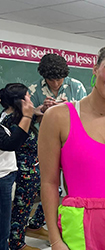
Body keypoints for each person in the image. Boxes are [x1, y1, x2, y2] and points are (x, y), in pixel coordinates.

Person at [39, 40, 105, 250]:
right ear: (96, 68)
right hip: (80, 223)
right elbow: (49, 183)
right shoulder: (58, 117)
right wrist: (54, 239)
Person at [26, 53, 87, 240]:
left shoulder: (76, 86)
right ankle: (45, 228)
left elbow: (86, 115)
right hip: (46, 145)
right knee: (48, 186)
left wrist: (68, 107)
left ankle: (72, 225)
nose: (55, 84)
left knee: (73, 187)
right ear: (44, 76)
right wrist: (41, 110)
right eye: (50, 80)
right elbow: (26, 119)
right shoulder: (35, 89)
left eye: (59, 79)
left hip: (72, 144)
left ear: (65, 75)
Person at [0, 83, 40, 250]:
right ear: (21, 101)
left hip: (29, 171)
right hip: (22, 174)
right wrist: (30, 115)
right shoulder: (12, 120)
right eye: (28, 95)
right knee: (18, 210)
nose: (30, 98)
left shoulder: (19, 116)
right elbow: (13, 143)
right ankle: (16, 242)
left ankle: (28, 231)